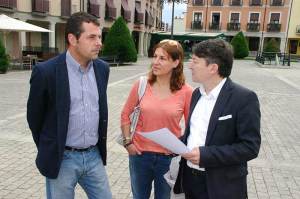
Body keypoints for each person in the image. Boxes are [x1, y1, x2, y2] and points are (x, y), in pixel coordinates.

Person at [27, 12, 112, 199]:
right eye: (91, 37)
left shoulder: (102, 69)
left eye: (99, 36)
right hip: (62, 159)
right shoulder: (46, 72)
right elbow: (34, 119)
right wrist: (51, 147)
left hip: (93, 156)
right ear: (72, 39)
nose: (99, 42)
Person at [174, 39, 261, 199]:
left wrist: (206, 155)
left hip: (222, 186)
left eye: (195, 61)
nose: (190, 65)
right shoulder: (196, 94)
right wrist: (173, 144)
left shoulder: (244, 98)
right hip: (190, 180)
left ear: (213, 68)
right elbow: (195, 135)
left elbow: (250, 147)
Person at [121, 39, 193, 199]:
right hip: (140, 156)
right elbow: (125, 114)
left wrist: (183, 150)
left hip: (168, 159)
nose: (156, 62)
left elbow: (191, 127)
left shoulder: (187, 92)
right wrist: (128, 142)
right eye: (155, 56)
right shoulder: (141, 84)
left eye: (162, 58)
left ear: (176, 62)